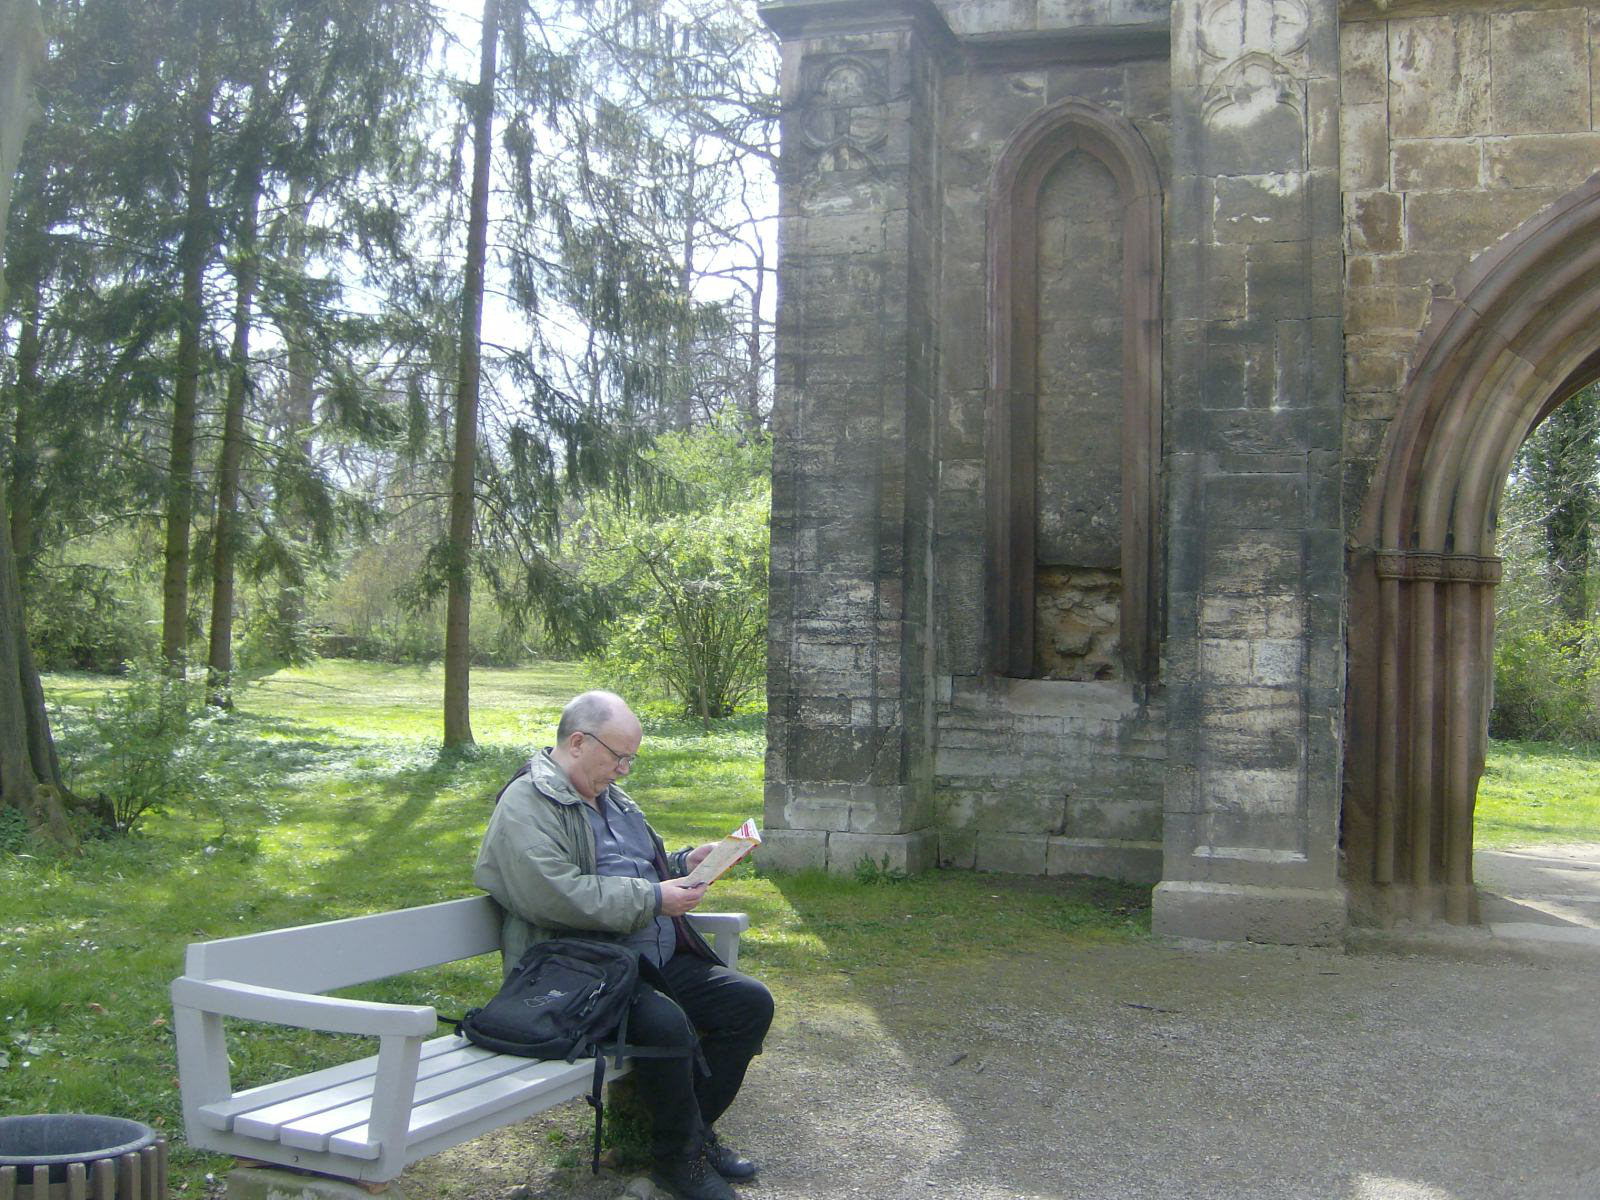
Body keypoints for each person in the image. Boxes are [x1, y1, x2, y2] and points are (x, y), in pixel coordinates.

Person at [474, 690, 773, 1200]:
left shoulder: (611, 797)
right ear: (577, 742)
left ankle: (691, 1137)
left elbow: (634, 867)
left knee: (748, 1003)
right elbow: (553, 895)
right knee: (666, 1024)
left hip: (649, 957)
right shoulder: (527, 803)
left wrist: (683, 864)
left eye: (629, 758)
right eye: (618, 757)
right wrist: (654, 898)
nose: (623, 770)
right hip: (582, 970)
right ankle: (679, 1160)